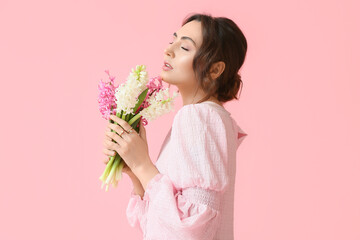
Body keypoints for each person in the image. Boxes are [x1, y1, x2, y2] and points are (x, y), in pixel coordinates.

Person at [102, 12, 248, 240]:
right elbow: (160, 227)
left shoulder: (198, 117)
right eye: (173, 40)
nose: (168, 50)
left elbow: (192, 228)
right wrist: (135, 172)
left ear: (215, 69)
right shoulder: (212, 117)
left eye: (185, 48)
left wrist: (143, 165)